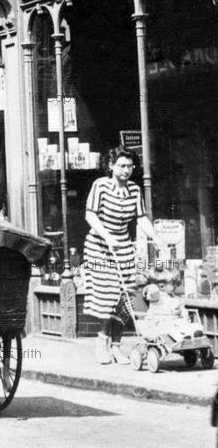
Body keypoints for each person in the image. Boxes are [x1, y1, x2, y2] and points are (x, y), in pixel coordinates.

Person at [83, 146, 164, 364]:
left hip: (124, 246)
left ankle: (117, 347)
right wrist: (107, 236)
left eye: (129, 166)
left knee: (125, 297)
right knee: (107, 295)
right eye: (121, 165)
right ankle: (102, 344)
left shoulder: (135, 190)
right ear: (111, 166)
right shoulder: (100, 185)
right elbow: (90, 215)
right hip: (99, 246)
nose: (126, 170)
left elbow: (141, 217)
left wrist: (155, 237)